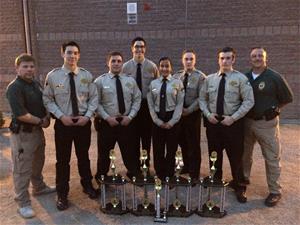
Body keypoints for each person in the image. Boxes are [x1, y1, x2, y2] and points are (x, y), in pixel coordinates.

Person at [43, 41, 98, 211]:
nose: (72, 56)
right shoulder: (53, 76)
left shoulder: (86, 76)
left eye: (75, 53)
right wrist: (60, 117)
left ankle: (87, 185)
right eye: (69, 52)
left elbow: (94, 98)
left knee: (83, 156)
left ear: (79, 55)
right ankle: (62, 193)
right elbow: (47, 99)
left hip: (82, 123)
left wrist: (87, 116)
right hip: (63, 124)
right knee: (63, 160)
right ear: (62, 54)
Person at [199, 47, 254, 203]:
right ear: (218, 60)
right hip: (213, 123)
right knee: (214, 154)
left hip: (232, 124)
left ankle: (239, 185)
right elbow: (202, 99)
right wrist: (208, 115)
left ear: (233, 60)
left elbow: (249, 101)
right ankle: (215, 178)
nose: (225, 61)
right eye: (222, 58)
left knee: (236, 156)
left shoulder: (241, 79)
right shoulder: (210, 79)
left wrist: (234, 118)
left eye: (228, 58)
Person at [241, 47, 293, 207]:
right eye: (254, 56)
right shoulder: (245, 77)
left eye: (260, 56)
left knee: (271, 156)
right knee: (244, 154)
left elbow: (287, 97)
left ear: (265, 58)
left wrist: (277, 108)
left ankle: (275, 190)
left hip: (267, 123)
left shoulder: (274, 76)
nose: (257, 58)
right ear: (250, 59)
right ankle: (243, 179)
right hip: (247, 122)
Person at [6, 53, 55, 219]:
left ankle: (39, 187)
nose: (29, 69)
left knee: (37, 162)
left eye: (31, 66)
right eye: (25, 66)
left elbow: (44, 102)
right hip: (23, 134)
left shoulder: (35, 83)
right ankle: (23, 203)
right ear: (17, 68)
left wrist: (47, 117)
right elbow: (21, 114)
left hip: (37, 132)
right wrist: (41, 121)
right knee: (22, 169)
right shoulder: (14, 87)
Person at [94, 51, 141, 180]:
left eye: (119, 61)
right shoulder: (100, 81)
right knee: (104, 153)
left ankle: (133, 172)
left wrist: (130, 116)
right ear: (107, 63)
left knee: (129, 151)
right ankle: (101, 176)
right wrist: (107, 118)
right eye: (113, 61)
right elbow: (95, 102)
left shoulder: (130, 81)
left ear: (122, 63)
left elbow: (137, 99)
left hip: (126, 122)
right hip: (107, 123)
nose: (116, 63)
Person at [122, 37, 159, 167]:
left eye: (142, 46)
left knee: (146, 137)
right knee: (132, 138)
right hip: (131, 106)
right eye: (136, 46)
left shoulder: (152, 67)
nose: (139, 49)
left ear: (145, 49)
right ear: (132, 49)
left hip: (146, 106)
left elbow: (158, 87)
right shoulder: (125, 67)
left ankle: (145, 165)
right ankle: (134, 166)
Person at [147, 57, 184, 180]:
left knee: (171, 148)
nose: (164, 68)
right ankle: (160, 174)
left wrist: (172, 121)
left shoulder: (177, 83)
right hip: (157, 118)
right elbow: (150, 104)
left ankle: (169, 174)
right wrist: (156, 120)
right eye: (162, 66)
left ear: (171, 68)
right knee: (158, 149)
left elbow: (179, 104)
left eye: (167, 66)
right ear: (159, 68)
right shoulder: (153, 84)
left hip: (172, 118)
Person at [173, 49, 206, 182]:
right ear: (182, 60)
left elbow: (201, 97)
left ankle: (194, 173)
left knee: (193, 144)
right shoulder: (176, 76)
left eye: (191, 59)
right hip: (179, 115)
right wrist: (179, 110)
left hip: (192, 115)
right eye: (186, 59)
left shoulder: (201, 77)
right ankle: (186, 166)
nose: (188, 61)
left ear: (195, 60)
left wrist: (189, 110)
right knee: (182, 142)